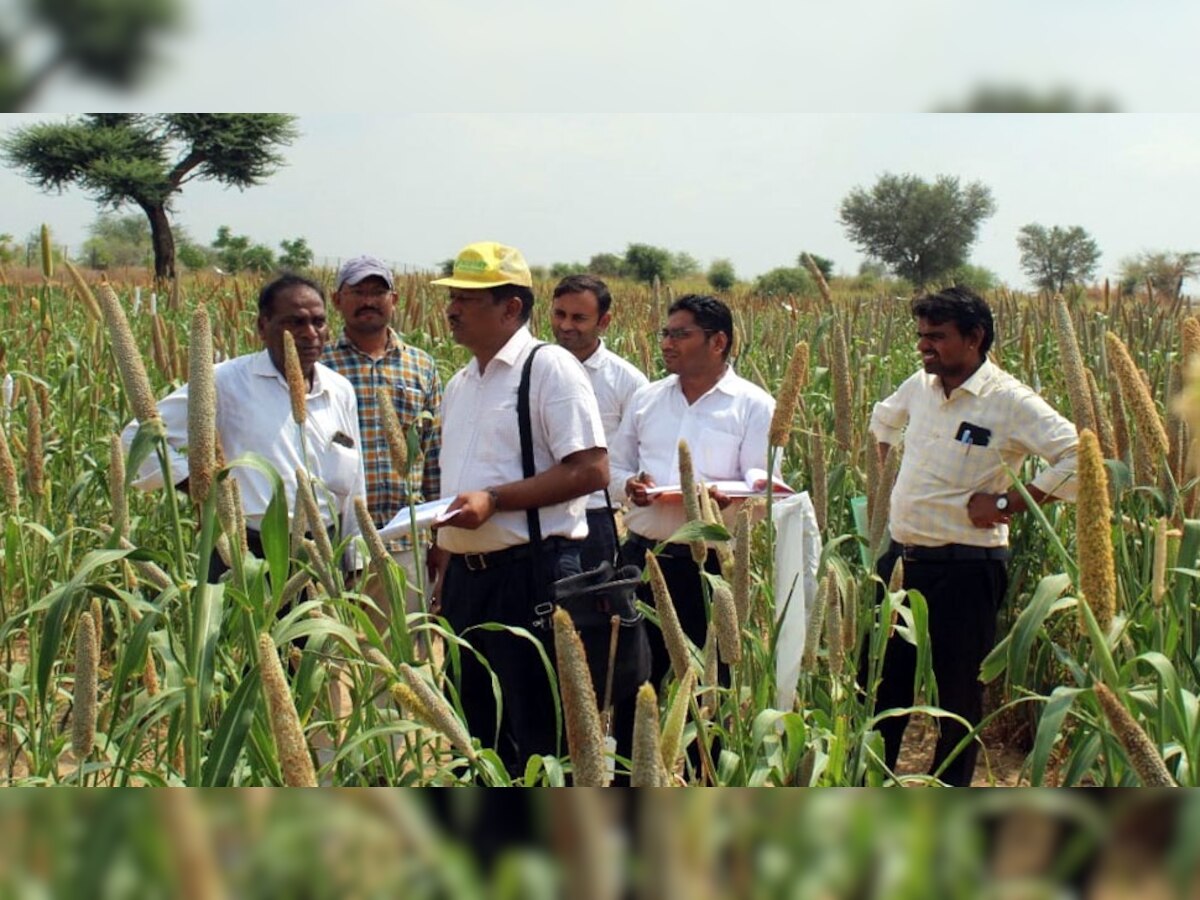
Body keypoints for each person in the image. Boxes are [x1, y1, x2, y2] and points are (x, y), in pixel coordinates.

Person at [866, 285, 1078, 786]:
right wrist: (885, 478)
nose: (924, 346)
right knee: (879, 691)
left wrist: (1008, 502)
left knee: (956, 701)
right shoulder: (919, 386)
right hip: (900, 563)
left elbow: (1078, 458)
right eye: (921, 335)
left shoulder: (1009, 402)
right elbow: (883, 419)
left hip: (965, 570)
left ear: (975, 337)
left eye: (937, 336)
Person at [429, 241, 608, 773]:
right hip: (466, 580)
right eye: (453, 296)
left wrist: (496, 501)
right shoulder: (461, 382)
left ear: (511, 307)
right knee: (472, 729)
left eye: (468, 298)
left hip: (530, 574)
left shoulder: (547, 368)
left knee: (538, 736)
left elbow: (592, 469)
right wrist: (443, 552)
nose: (452, 309)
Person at [122, 273, 366, 579]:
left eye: (319, 322)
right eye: (295, 322)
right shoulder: (226, 382)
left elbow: (355, 483)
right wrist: (198, 485)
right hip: (245, 553)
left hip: (321, 554)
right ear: (263, 327)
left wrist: (356, 563)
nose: (310, 333)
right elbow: (137, 435)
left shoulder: (340, 390)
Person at [609, 294, 776, 689]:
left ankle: (705, 753)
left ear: (718, 342)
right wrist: (629, 486)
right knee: (635, 683)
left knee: (710, 685)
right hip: (643, 557)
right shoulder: (646, 398)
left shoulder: (753, 406)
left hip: (710, 569)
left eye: (680, 334)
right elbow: (615, 466)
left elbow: (763, 486)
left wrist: (728, 503)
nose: (667, 343)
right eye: (665, 333)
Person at [323, 255, 442, 623]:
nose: (369, 301)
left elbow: (435, 455)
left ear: (395, 299)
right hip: (332, 539)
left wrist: (441, 538)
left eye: (378, 292)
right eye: (357, 291)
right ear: (337, 299)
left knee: (400, 659)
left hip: (403, 539)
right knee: (329, 658)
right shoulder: (316, 364)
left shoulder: (421, 365)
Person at [550, 274, 648, 570]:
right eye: (559, 314)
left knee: (594, 613)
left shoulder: (627, 381)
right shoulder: (532, 370)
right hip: (539, 514)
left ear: (604, 322)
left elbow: (641, 452)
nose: (566, 325)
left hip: (595, 515)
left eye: (579, 318)